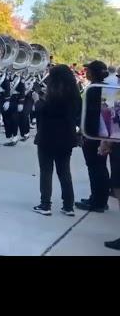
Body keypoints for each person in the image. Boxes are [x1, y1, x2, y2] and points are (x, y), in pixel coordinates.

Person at [31, 65, 81, 216]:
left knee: (46, 171)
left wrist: (37, 100)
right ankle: (68, 205)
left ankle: (45, 204)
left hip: (48, 136)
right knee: (64, 172)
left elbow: (44, 111)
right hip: (66, 137)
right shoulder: (75, 95)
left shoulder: (54, 95)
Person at [75, 60, 111, 212]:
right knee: (100, 167)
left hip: (92, 135)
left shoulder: (94, 89)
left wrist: (81, 130)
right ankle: (100, 198)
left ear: (94, 72)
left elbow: (88, 114)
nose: (86, 72)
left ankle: (97, 202)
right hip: (102, 134)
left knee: (95, 168)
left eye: (88, 69)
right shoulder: (106, 88)